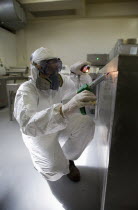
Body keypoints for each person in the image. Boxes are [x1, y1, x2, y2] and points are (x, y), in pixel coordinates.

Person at [14, 47, 96, 182]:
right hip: (38, 134)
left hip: (58, 124)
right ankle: (44, 163)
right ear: (36, 68)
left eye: (56, 67)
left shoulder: (58, 82)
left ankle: (67, 160)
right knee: (54, 170)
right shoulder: (26, 90)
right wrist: (64, 110)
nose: (53, 74)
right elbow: (28, 125)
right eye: (48, 68)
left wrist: (77, 74)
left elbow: (77, 88)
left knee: (86, 123)